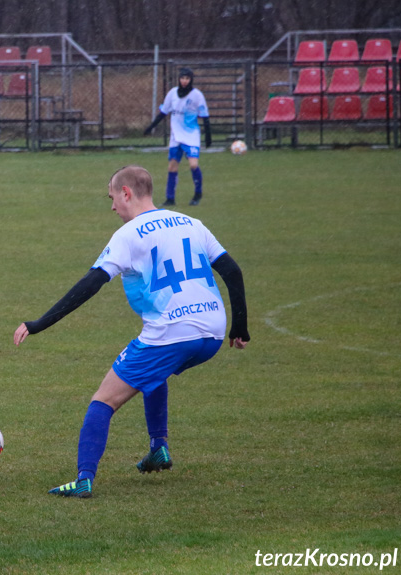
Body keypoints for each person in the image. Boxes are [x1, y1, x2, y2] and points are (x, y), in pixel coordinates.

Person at [13, 165, 249, 498]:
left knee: (103, 400)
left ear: (126, 193)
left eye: (112, 198)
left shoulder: (129, 235)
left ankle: (83, 479)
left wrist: (38, 324)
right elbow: (232, 271)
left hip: (173, 332)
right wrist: (240, 327)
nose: (112, 207)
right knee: (155, 373)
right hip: (212, 331)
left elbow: (91, 284)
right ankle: (158, 448)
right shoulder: (192, 223)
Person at [143, 67, 212, 206]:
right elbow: (163, 112)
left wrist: (208, 136)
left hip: (191, 135)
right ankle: (170, 198)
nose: (184, 81)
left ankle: (197, 194)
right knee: (172, 167)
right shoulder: (173, 93)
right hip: (176, 136)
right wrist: (151, 127)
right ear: (179, 79)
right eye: (182, 78)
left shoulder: (197, 95)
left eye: (187, 78)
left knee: (193, 165)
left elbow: (205, 116)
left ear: (191, 80)